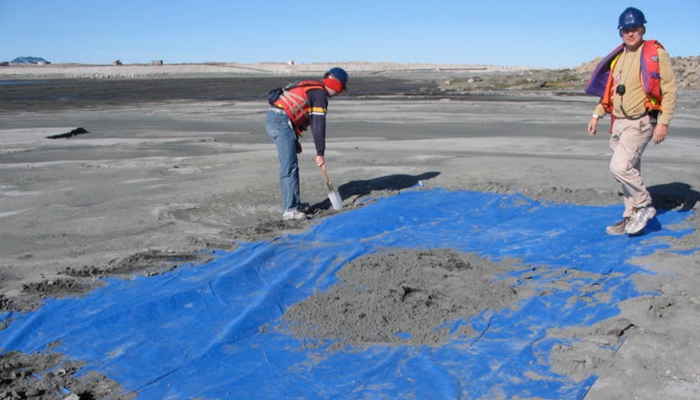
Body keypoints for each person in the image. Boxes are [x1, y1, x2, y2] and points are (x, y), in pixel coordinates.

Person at [585, 7, 677, 236]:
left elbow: (669, 89)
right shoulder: (619, 58)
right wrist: (597, 114)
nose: (630, 34)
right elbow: (610, 92)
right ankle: (630, 217)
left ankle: (644, 205)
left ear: (643, 29)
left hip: (640, 122)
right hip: (619, 123)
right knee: (629, 170)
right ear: (620, 33)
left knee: (620, 166)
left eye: (634, 29)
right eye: (626, 30)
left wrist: (664, 122)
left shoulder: (655, 53)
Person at [265, 67, 348, 220]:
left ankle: (295, 204)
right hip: (280, 122)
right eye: (341, 88)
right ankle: (290, 210)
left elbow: (294, 111)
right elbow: (318, 125)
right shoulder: (319, 94)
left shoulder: (314, 89)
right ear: (337, 85)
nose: (339, 93)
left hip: (279, 121)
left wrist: (294, 139)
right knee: (289, 167)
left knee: (292, 165)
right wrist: (320, 153)